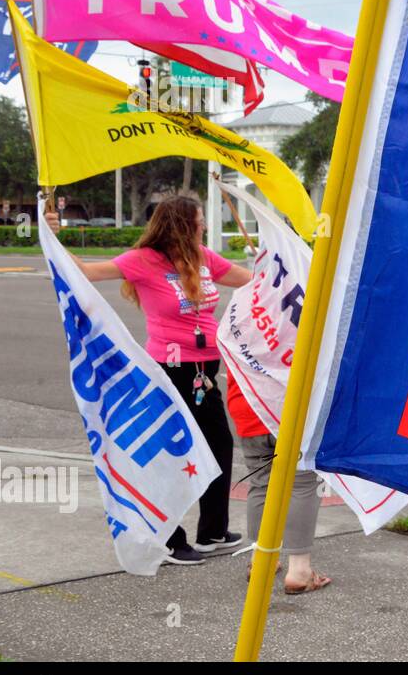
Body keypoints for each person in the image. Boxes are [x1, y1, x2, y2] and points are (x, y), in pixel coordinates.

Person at [46, 195, 250, 566]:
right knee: (174, 454)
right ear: (181, 224)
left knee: (219, 444)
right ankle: (171, 540)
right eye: (199, 220)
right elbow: (85, 273)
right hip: (168, 371)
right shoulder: (143, 261)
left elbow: (250, 281)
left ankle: (213, 531)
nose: (204, 225)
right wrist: (50, 235)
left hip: (205, 372)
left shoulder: (202, 257)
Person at [225, 372, 330, 594]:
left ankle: (261, 561)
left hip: (249, 406)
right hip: (292, 408)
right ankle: (299, 570)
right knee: (303, 484)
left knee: (261, 484)